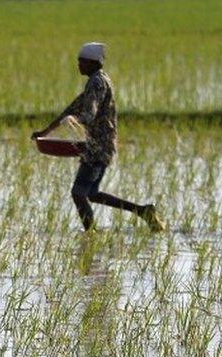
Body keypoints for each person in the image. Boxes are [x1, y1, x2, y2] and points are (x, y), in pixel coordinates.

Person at [32, 42, 165, 232]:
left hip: (99, 147)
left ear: (93, 62)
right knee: (91, 194)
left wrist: (75, 120)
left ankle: (91, 234)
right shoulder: (96, 80)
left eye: (82, 62)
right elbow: (72, 108)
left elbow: (89, 113)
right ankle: (142, 211)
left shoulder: (97, 83)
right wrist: (45, 132)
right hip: (96, 146)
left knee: (79, 193)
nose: (79, 65)